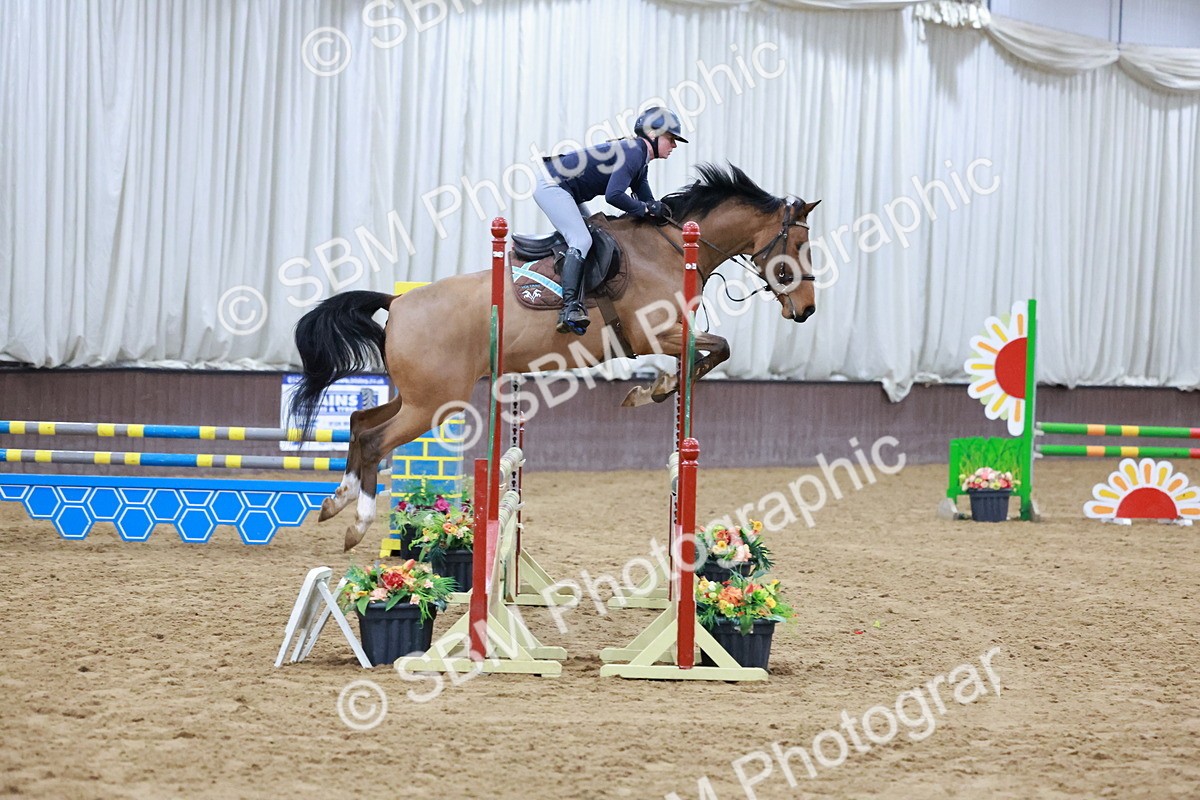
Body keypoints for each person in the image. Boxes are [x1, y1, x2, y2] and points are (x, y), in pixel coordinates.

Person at [534, 106, 688, 334]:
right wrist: (646, 209)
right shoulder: (635, 152)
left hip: (564, 186)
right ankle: (569, 308)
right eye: (671, 138)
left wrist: (661, 212)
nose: (674, 145)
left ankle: (586, 298)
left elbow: (646, 200)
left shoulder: (640, 158)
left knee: (593, 236)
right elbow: (614, 196)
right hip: (552, 184)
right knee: (581, 239)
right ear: (653, 135)